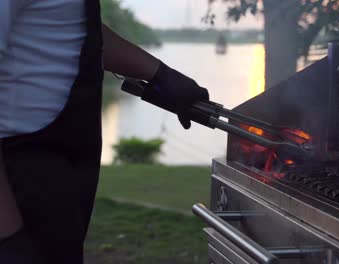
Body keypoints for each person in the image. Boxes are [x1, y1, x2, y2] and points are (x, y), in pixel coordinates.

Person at [0, 1, 208, 263]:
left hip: (56, 182)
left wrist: (161, 76)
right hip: (17, 182)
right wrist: (9, 242)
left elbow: (71, 30)